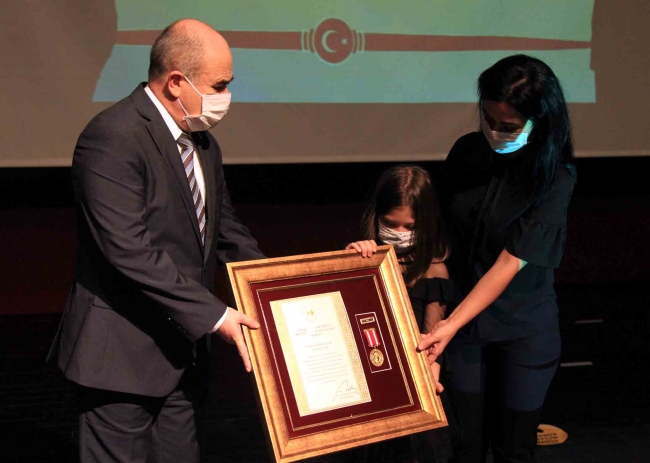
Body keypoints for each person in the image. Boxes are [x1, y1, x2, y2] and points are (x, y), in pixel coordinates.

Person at [46, 19, 265, 463]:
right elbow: (128, 250)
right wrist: (216, 315)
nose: (225, 97)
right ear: (176, 82)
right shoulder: (112, 136)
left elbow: (223, 228)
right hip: (121, 358)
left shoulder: (202, 142)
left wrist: (278, 285)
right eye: (218, 86)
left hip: (184, 355)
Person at [417, 54, 577, 463]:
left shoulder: (555, 175)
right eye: (488, 119)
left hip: (523, 329)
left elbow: (509, 262)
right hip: (463, 330)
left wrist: (450, 324)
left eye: (508, 126)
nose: (494, 131)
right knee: (463, 446)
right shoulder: (466, 152)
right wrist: (439, 320)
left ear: (540, 121)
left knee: (514, 449)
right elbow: (440, 244)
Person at [347, 165, 455, 463]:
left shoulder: (434, 269)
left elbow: (433, 337)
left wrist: (431, 372)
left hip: (410, 382)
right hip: (366, 378)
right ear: (376, 217)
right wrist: (348, 262)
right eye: (390, 224)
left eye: (410, 226)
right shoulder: (363, 257)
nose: (399, 234)